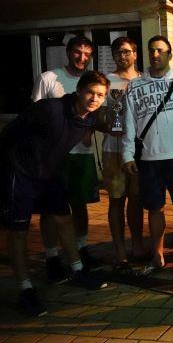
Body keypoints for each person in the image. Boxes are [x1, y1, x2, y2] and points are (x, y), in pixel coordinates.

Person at [1, 71, 110, 316]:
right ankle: (25, 289)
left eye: (100, 95)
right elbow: (11, 131)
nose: (94, 98)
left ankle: (77, 271)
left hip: (50, 174)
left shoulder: (90, 117)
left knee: (64, 219)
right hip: (21, 173)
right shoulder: (50, 108)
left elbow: (108, 126)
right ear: (79, 90)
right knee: (18, 232)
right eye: (90, 92)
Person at [31, 36, 102, 282]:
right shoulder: (48, 78)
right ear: (68, 52)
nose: (82, 57)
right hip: (54, 157)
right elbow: (36, 115)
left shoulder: (92, 81)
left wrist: (90, 130)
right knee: (50, 209)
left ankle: (81, 249)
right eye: (77, 52)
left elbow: (94, 113)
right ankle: (51, 257)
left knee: (80, 204)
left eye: (87, 54)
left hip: (82, 154)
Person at [122, 35, 173, 275]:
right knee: (154, 208)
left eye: (160, 50)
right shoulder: (135, 86)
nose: (155, 54)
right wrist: (127, 155)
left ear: (170, 54)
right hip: (149, 157)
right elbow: (129, 123)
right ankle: (158, 255)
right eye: (151, 50)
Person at [103, 37, 145, 272]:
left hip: (139, 150)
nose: (122, 56)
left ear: (135, 54)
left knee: (136, 199)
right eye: (118, 52)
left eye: (127, 52)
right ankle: (120, 250)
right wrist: (108, 123)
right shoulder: (106, 82)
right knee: (116, 200)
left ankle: (137, 245)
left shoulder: (144, 80)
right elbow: (97, 115)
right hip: (114, 149)